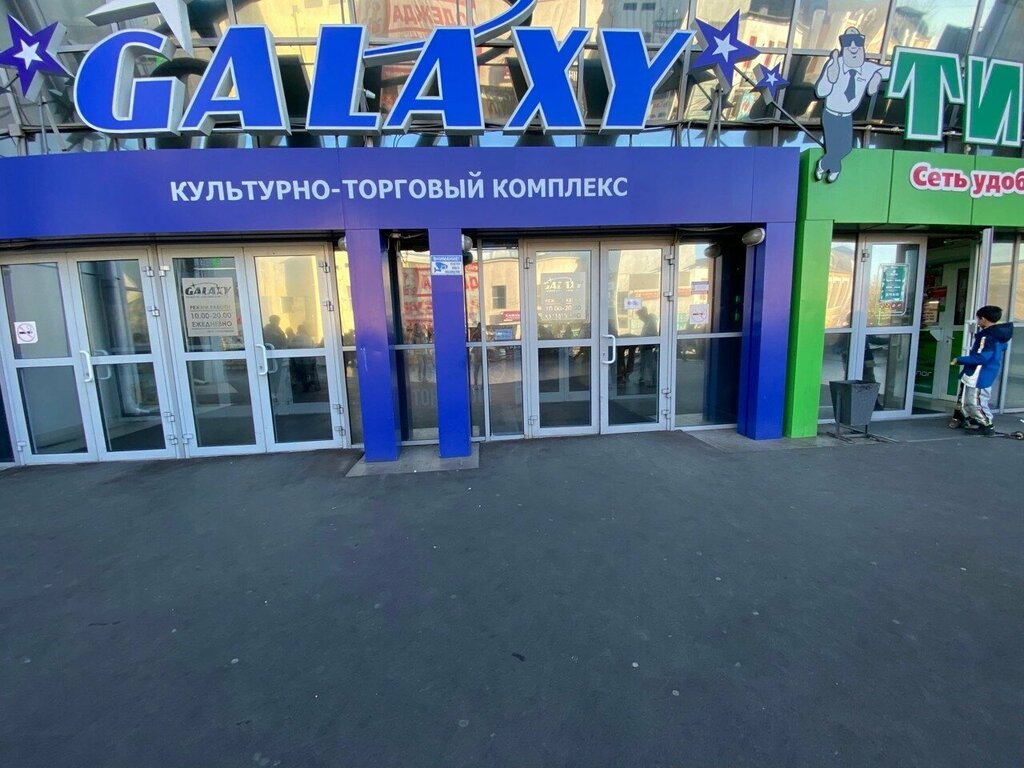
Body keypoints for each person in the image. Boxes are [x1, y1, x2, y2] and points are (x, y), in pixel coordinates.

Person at [814, 27, 890, 183]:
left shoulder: (868, 68)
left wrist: (877, 76)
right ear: (844, 49)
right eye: (849, 46)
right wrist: (829, 79)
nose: (854, 49)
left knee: (846, 148)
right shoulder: (835, 64)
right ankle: (834, 168)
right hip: (830, 115)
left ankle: (824, 164)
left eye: (858, 46)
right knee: (834, 148)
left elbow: (890, 71)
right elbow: (821, 92)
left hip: (846, 117)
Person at [950, 305, 1014, 436]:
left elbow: (982, 358)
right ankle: (972, 419)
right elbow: (1000, 349)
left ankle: (987, 426)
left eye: (978, 319)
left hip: (979, 374)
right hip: (986, 371)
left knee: (975, 401)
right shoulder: (998, 335)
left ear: (983, 319)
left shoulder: (987, 336)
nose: (977, 321)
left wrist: (959, 359)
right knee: (971, 399)